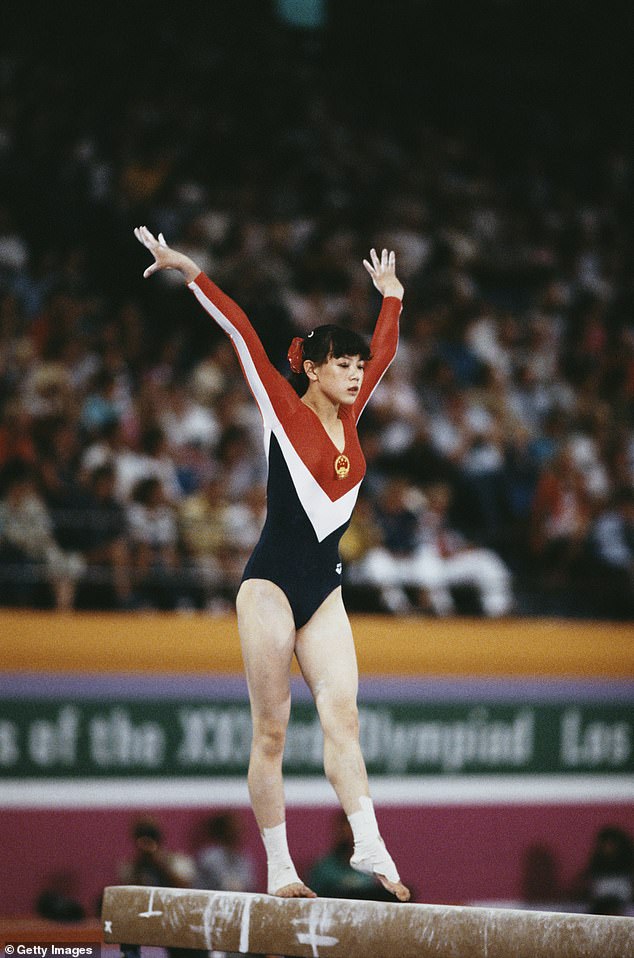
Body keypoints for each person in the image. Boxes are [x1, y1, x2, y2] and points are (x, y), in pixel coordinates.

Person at [134, 226, 410, 902]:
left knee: (342, 714)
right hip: (269, 587)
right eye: (342, 365)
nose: (355, 373)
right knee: (273, 727)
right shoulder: (281, 407)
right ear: (313, 369)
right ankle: (281, 869)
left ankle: (370, 843)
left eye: (357, 366)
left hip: (324, 589)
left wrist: (392, 297)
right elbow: (241, 332)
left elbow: (387, 348)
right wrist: (191, 270)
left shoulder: (355, 409)